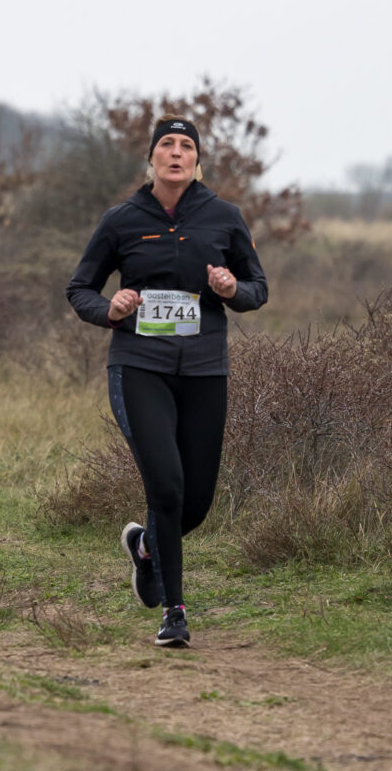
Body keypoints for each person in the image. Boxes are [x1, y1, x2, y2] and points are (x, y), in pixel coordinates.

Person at [65, 116, 268, 647]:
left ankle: (147, 549)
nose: (176, 153)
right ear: (151, 159)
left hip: (204, 370)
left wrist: (229, 288)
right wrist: (110, 308)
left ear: (197, 161)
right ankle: (174, 613)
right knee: (168, 490)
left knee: (196, 501)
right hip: (139, 367)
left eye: (186, 146)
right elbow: (79, 287)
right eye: (166, 145)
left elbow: (257, 288)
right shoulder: (122, 220)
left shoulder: (224, 217)